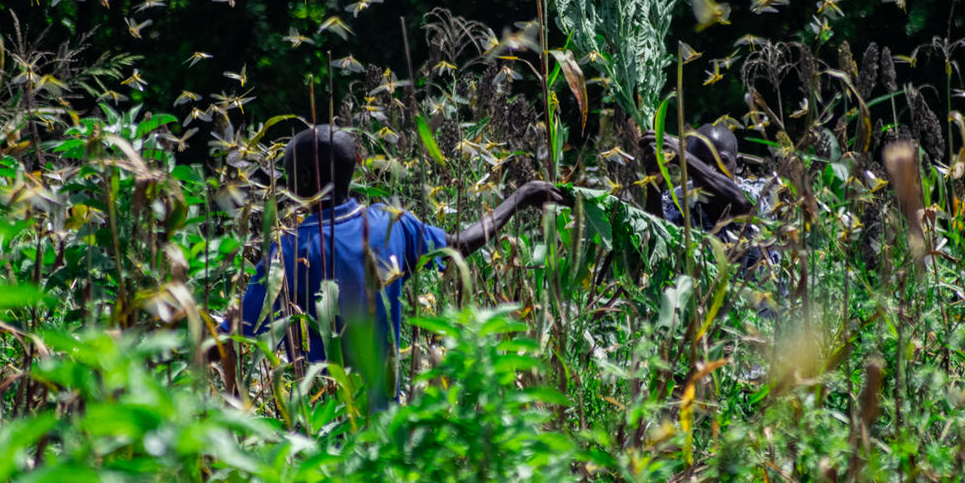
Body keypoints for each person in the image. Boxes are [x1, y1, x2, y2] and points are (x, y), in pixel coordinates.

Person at [215, 125, 562, 406]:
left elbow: (238, 333)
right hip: (390, 423)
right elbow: (461, 244)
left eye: (288, 176)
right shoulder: (393, 224)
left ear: (305, 178)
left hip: (327, 423)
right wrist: (520, 196)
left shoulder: (288, 250)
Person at [641, 124, 783, 296]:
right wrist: (655, 181)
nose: (710, 170)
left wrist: (684, 157)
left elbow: (744, 206)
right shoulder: (675, 201)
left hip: (765, 317)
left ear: (738, 165)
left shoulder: (763, 193)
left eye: (721, 161)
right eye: (701, 162)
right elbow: (655, 241)